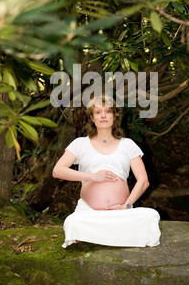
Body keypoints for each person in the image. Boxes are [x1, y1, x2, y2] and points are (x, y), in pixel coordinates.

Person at [52, 95, 161, 248]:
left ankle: (98, 234)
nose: (103, 116)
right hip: (90, 213)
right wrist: (93, 176)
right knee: (72, 221)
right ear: (92, 117)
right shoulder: (80, 144)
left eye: (108, 111)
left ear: (114, 116)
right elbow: (58, 171)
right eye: (98, 112)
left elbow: (143, 181)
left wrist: (127, 206)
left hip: (121, 212)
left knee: (151, 216)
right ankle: (114, 234)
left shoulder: (127, 144)